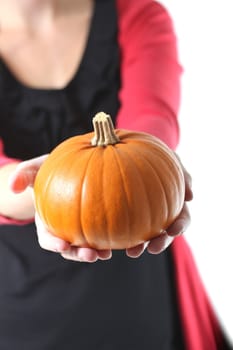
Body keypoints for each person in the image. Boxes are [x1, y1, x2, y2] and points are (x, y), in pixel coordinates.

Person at [0, 0, 230, 349]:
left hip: (141, 293)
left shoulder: (139, 14)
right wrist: (49, 190)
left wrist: (153, 171)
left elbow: (153, 128)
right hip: (19, 307)